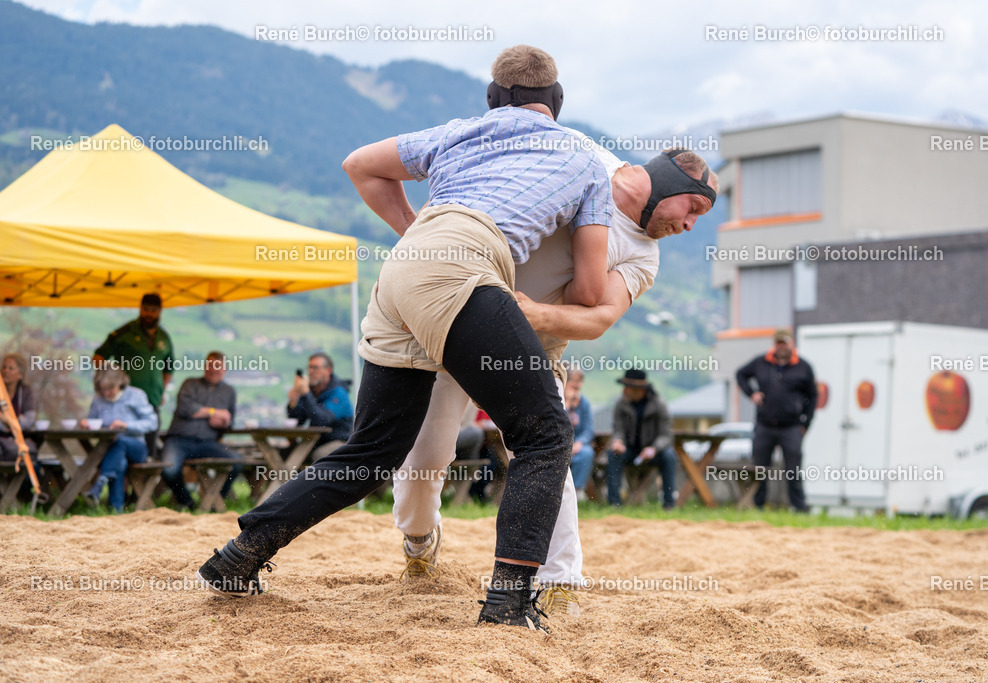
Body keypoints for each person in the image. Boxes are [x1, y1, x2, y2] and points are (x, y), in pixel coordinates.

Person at [196, 45, 612, 632]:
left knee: (372, 450)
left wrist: (415, 230)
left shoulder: (460, 132)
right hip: (465, 268)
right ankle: (508, 605)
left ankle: (239, 555)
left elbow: (359, 164)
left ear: (493, 99)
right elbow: (590, 291)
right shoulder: (583, 155)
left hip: (401, 270)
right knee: (544, 436)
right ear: (557, 102)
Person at [392, 143, 717, 615]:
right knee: (425, 458)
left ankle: (560, 581)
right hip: (458, 319)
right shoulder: (587, 157)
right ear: (671, 183)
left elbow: (598, 318)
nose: (689, 226)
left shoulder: (644, 256)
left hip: (536, 346)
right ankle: (419, 542)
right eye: (693, 208)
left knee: (548, 452)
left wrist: (528, 315)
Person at [735, 328, 818, 512]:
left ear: (792, 344)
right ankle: (758, 506)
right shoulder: (761, 362)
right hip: (764, 425)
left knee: (793, 470)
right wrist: (751, 393)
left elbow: (813, 397)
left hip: (791, 427)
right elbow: (740, 374)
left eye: (784, 343)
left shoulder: (803, 367)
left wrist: (805, 424)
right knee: (759, 470)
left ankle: (799, 508)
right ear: (774, 345)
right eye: (778, 343)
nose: (781, 347)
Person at [161, 352, 243, 511]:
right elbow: (185, 409)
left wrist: (224, 422)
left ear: (225, 369)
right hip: (179, 440)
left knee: (237, 461)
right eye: (210, 365)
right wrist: (214, 412)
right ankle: (186, 501)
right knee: (169, 470)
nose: (213, 369)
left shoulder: (229, 391)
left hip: (208, 443)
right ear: (205, 366)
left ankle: (215, 500)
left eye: (218, 366)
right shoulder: (190, 383)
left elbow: (230, 419)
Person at [93, 292, 173, 456]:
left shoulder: (164, 337)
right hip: (127, 401)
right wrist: (111, 378)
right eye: (146, 309)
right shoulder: (125, 333)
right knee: (122, 446)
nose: (149, 314)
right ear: (140, 308)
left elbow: (169, 368)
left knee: (149, 452)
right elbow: (98, 357)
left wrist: (162, 391)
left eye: (153, 310)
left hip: (152, 400)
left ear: (159, 312)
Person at [83, 368, 158, 512]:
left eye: (110, 388)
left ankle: (100, 483)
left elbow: (152, 423)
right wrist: (87, 424)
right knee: (120, 462)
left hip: (136, 447)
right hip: (110, 449)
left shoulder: (136, 395)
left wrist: (126, 425)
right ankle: (116, 509)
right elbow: (93, 421)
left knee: (120, 442)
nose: (106, 393)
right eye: (103, 389)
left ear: (120, 383)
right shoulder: (98, 399)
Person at [606, 369, 678, 510]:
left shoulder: (659, 404)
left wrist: (654, 448)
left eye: (627, 387)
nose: (624, 390)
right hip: (629, 450)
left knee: (669, 456)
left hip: (654, 451)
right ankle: (614, 504)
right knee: (613, 454)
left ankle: (669, 504)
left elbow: (666, 435)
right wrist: (618, 441)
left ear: (640, 390)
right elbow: (618, 429)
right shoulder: (621, 404)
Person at [287, 352, 352, 460]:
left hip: (339, 442)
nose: (310, 371)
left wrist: (306, 395)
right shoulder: (311, 392)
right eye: (309, 367)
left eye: (315, 368)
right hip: (314, 442)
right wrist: (293, 403)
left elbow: (321, 420)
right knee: (287, 454)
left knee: (319, 455)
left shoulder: (339, 394)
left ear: (328, 370)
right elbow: (298, 420)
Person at [0, 353, 37, 461]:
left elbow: (29, 420)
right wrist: (15, 422)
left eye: (11, 368)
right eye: (4, 367)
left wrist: (5, 420)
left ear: (20, 374)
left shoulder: (25, 392)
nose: (6, 371)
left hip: (17, 443)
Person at [565, 369, 595, 501]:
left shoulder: (584, 403)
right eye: (574, 382)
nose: (577, 386)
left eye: (580, 382)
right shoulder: (558, 401)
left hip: (578, 445)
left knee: (587, 453)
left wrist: (580, 442)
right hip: (560, 444)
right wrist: (567, 405)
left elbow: (589, 429)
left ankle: (578, 490)